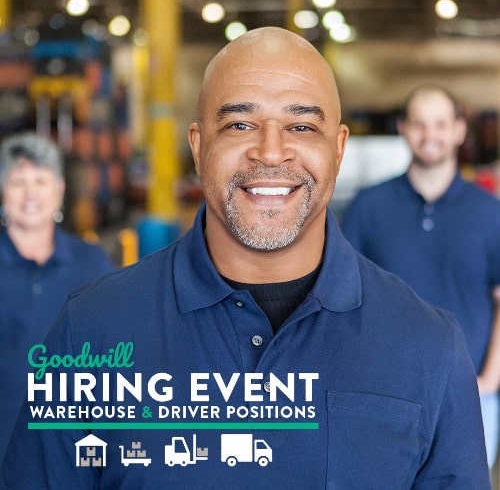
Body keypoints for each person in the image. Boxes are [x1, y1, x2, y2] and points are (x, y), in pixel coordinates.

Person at [0, 29, 490, 489]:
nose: (271, 152)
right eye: (239, 123)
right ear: (198, 145)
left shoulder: (429, 350)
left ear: (338, 149)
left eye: (301, 124)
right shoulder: (91, 331)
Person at [341, 85, 500, 469]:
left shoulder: (489, 212)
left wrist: (489, 381)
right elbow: (343, 299)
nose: (430, 135)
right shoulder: (369, 207)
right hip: (384, 392)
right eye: (419, 124)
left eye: (441, 124)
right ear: (403, 129)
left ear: (460, 130)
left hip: (471, 394)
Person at [0, 132, 114, 464]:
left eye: (41, 179)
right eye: (18, 182)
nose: (30, 193)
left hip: (71, 450)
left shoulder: (92, 263)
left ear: (60, 189)